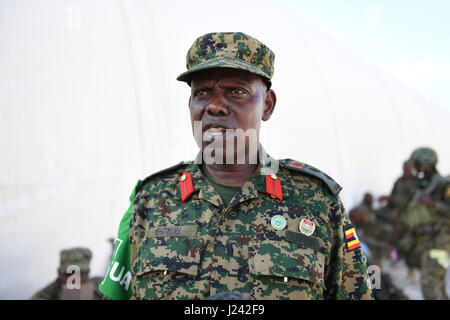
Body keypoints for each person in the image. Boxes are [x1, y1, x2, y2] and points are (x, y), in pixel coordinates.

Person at [100, 32, 373, 300]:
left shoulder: (317, 202)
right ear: (190, 104)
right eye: (203, 93)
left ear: (267, 105)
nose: (215, 106)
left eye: (236, 92)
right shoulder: (150, 200)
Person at [401, 147, 450, 299]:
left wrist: (433, 203)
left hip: (440, 241)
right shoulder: (424, 184)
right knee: (435, 284)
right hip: (427, 241)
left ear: (425, 164)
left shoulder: (443, 184)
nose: (414, 167)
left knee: (430, 284)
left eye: (416, 163)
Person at [31, 247, 103, 300]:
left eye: (79, 274)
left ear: (87, 272)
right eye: (68, 274)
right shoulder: (48, 293)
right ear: (59, 273)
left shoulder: (100, 286)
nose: (74, 280)